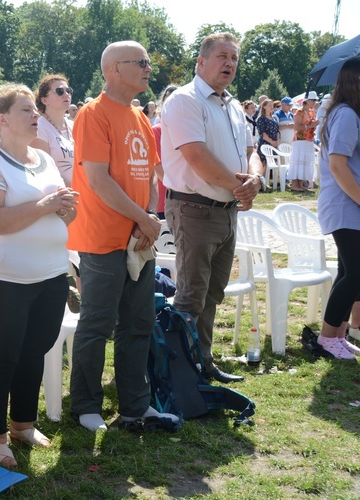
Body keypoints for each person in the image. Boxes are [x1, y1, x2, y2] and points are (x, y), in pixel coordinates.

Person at [68, 41, 178, 432]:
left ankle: (136, 406)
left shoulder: (140, 117)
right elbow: (98, 180)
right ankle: (85, 406)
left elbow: (149, 174)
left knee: (139, 322)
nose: (150, 68)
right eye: (142, 62)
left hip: (137, 237)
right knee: (97, 324)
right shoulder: (92, 114)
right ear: (114, 68)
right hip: (102, 237)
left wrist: (147, 217)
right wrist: (143, 220)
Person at [0, 83, 77, 467]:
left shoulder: (44, 158)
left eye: (35, 110)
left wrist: (65, 208)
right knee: (2, 356)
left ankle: (22, 423)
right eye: (26, 110)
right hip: (5, 279)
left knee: (35, 351)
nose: (36, 116)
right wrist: (45, 204)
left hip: (50, 273)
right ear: (2, 119)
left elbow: (63, 210)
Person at [161, 32, 262, 384]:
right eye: (222, 56)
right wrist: (242, 186)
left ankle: (201, 361)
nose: (230, 63)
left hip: (226, 210)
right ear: (200, 62)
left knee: (212, 292)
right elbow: (197, 157)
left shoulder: (233, 105)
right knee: (191, 295)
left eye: (234, 57)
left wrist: (256, 180)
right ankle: (182, 373)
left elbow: (253, 152)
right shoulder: (185, 101)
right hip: (195, 209)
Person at [316, 58, 360, 359]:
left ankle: (337, 333)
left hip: (349, 205)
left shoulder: (348, 113)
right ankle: (327, 336)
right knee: (356, 273)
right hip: (346, 205)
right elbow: (337, 164)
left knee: (349, 271)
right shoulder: (345, 115)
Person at [32, 74, 75, 187]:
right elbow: (45, 170)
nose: (66, 94)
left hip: (83, 194)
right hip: (61, 196)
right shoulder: (39, 127)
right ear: (45, 100)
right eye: (60, 91)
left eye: (68, 90)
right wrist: (74, 189)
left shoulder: (73, 125)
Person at [152, 85, 178, 217]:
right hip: (166, 198)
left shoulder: (188, 130)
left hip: (188, 200)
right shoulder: (156, 131)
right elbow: (158, 167)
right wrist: (178, 190)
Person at [291, 91, 319, 192]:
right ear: (307, 101)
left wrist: (314, 125)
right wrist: (311, 125)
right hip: (300, 139)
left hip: (309, 139)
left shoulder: (312, 111)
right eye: (313, 100)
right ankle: (295, 184)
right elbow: (297, 126)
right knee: (298, 161)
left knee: (305, 161)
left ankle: (301, 184)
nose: (314, 102)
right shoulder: (300, 111)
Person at [255, 98, 280, 167]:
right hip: (265, 144)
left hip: (274, 144)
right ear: (264, 107)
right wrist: (271, 141)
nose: (271, 107)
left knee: (274, 164)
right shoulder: (261, 119)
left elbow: (277, 130)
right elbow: (262, 133)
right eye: (269, 105)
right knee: (264, 165)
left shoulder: (274, 118)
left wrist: (277, 141)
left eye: (272, 105)